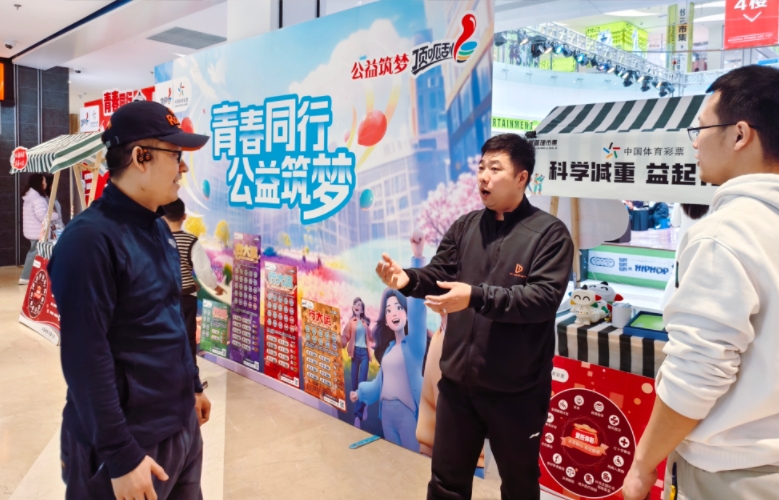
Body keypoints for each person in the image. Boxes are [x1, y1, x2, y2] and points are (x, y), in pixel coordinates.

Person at [375, 134, 574, 500]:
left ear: (522, 178)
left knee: (519, 487)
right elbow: (440, 274)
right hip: (457, 387)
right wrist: (408, 279)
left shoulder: (549, 234)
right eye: (481, 167)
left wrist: (475, 296)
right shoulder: (465, 226)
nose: (483, 176)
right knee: (445, 484)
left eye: (495, 169)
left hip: (517, 393)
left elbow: (542, 299)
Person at [622, 65, 779, 500]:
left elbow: (697, 372)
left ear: (740, 134)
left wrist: (643, 463)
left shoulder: (725, 232)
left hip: (732, 471)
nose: (695, 142)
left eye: (701, 128)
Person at [49, 100, 213, 500]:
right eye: (175, 155)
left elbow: (169, 318)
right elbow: (85, 357)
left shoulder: (158, 229)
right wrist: (120, 455)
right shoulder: (89, 241)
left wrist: (192, 385)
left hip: (180, 428)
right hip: (128, 445)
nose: (183, 168)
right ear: (141, 157)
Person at [350, 285, 427, 452]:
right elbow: (379, 384)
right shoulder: (388, 351)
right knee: (395, 458)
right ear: (385, 319)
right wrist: (360, 393)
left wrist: (415, 280)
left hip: (406, 414)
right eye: (389, 310)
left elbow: (418, 315)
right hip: (386, 415)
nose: (394, 313)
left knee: (412, 458)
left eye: (399, 308)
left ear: (407, 313)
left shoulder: (414, 346)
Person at [162, 197, 224, 383]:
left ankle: (167, 380)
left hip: (162, 297)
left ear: (163, 217)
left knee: (164, 337)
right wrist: (215, 287)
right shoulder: (191, 241)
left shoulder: (156, 239)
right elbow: (203, 270)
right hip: (186, 297)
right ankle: (190, 380)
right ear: (184, 217)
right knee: (188, 338)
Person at [660, 203, 708, 308]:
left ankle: (665, 307)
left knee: (676, 277)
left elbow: (675, 222)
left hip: (684, 244)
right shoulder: (710, 201)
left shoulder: (681, 201)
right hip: (702, 244)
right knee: (699, 278)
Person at [19, 173, 60, 285]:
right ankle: (25, 277)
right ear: (39, 183)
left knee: (34, 252)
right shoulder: (38, 199)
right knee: (35, 253)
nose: (45, 183)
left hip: (33, 230)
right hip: (38, 231)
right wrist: (55, 215)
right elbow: (42, 216)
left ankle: (33, 276)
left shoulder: (30, 197)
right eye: (44, 181)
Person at [341, 297, 373, 428]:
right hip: (355, 354)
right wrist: (339, 342)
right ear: (353, 307)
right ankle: (364, 403)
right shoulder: (351, 322)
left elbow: (372, 338)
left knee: (361, 384)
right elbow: (345, 336)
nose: (357, 305)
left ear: (362, 309)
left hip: (364, 353)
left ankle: (357, 417)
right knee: (354, 386)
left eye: (359, 304)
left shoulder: (365, 324)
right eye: (355, 304)